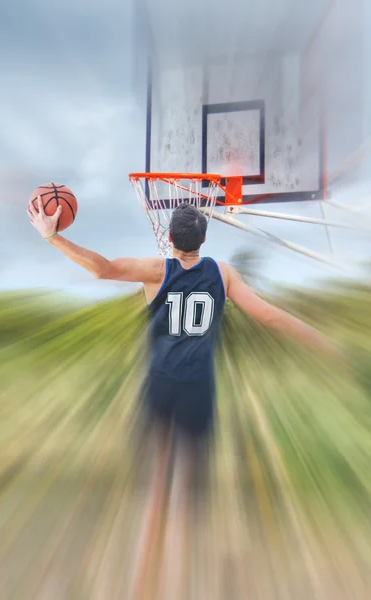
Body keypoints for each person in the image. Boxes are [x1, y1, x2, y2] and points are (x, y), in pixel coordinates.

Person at [27, 197, 338, 599]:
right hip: (197, 391)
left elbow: (101, 268)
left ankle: (141, 587)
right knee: (182, 499)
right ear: (204, 238)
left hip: (159, 388)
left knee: (154, 496)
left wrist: (52, 237)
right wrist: (323, 344)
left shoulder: (156, 270)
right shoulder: (222, 275)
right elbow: (271, 316)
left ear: (168, 236)